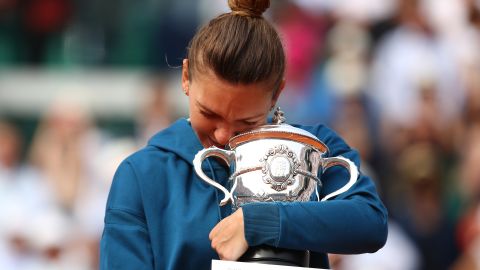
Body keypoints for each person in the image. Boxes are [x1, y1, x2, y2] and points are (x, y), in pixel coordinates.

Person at [99, 0, 388, 269]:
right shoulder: (142, 174)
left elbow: (371, 223)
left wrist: (261, 223)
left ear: (276, 94)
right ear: (185, 76)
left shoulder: (312, 147)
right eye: (209, 113)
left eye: (246, 123)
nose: (223, 135)